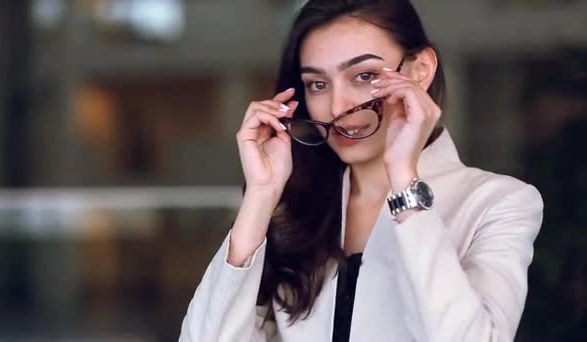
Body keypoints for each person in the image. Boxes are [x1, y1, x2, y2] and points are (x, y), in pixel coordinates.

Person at [179, 0, 543, 341]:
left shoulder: (497, 203)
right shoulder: (298, 209)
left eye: (364, 76)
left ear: (421, 70)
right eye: (317, 85)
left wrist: (404, 177)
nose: (338, 106)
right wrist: (261, 197)